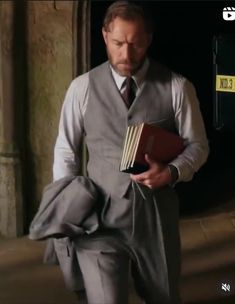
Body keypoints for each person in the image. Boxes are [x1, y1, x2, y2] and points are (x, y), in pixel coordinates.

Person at [53, 1, 209, 303]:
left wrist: (173, 171)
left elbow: (198, 145)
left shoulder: (178, 87)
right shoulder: (81, 88)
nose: (126, 54)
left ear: (148, 39)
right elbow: (66, 150)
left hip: (156, 218)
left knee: (163, 296)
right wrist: (67, 204)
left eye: (136, 44)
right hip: (99, 217)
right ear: (104, 36)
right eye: (118, 43)